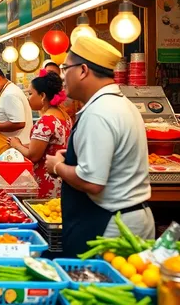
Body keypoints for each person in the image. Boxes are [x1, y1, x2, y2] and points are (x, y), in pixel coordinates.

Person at [45, 36, 154, 257]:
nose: (63, 77)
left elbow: (92, 181)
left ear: (83, 70)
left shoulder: (99, 112)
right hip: (128, 217)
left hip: (111, 226)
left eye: (66, 68)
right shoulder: (121, 104)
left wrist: (57, 167)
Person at [8, 70, 72, 198]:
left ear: (42, 95)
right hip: (61, 177)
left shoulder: (46, 120)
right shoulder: (64, 116)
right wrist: (26, 145)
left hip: (47, 179)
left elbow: (33, 156)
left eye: (31, 93)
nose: (28, 98)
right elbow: (51, 146)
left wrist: (16, 145)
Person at [0, 63, 33, 156]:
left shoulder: (10, 94)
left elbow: (18, 123)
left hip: (10, 153)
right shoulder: (4, 92)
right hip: (2, 153)